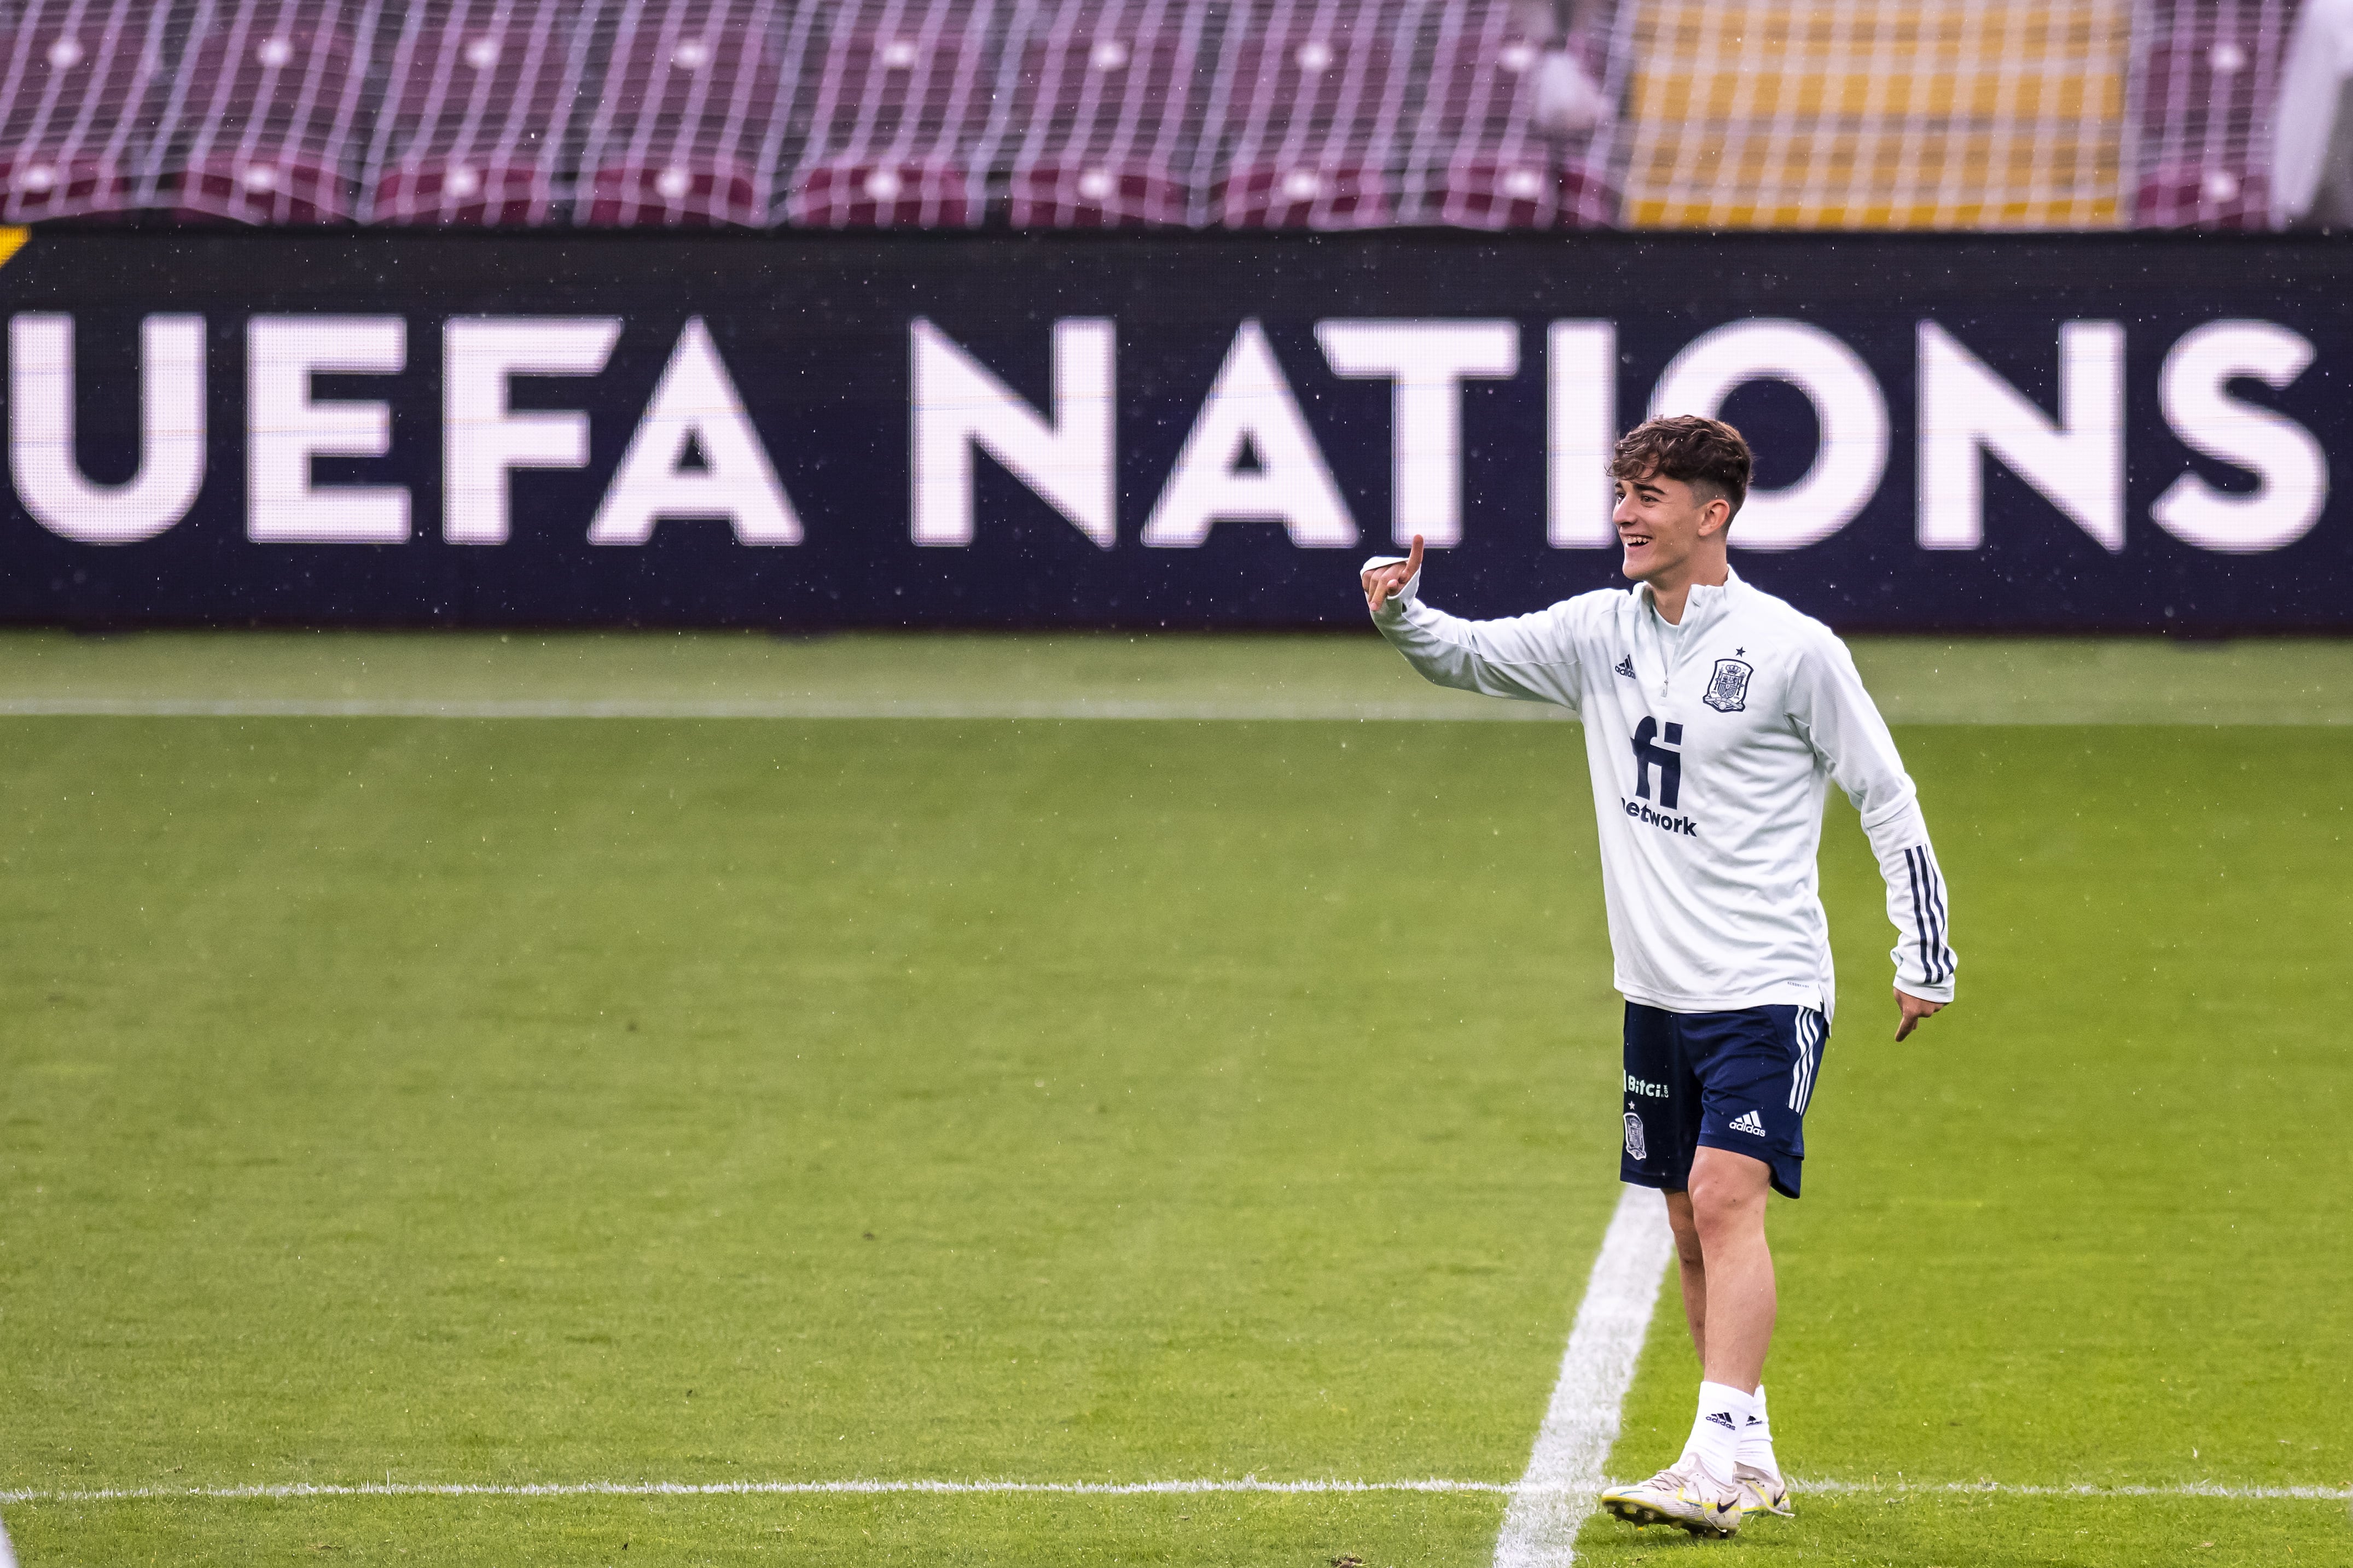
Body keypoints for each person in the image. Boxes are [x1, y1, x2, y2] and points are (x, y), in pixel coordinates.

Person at [1360, 415, 1956, 1540]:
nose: (1625, 515)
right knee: (1689, 1223)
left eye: (1648, 495)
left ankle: (1715, 1458)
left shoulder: (1793, 650)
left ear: (1711, 514)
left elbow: (1885, 793)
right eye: (1621, 492)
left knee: (1730, 1200)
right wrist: (1401, 612)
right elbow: (1470, 657)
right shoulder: (1599, 633)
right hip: (1657, 995)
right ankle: (1753, 1452)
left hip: (1767, 986)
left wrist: (1923, 950)